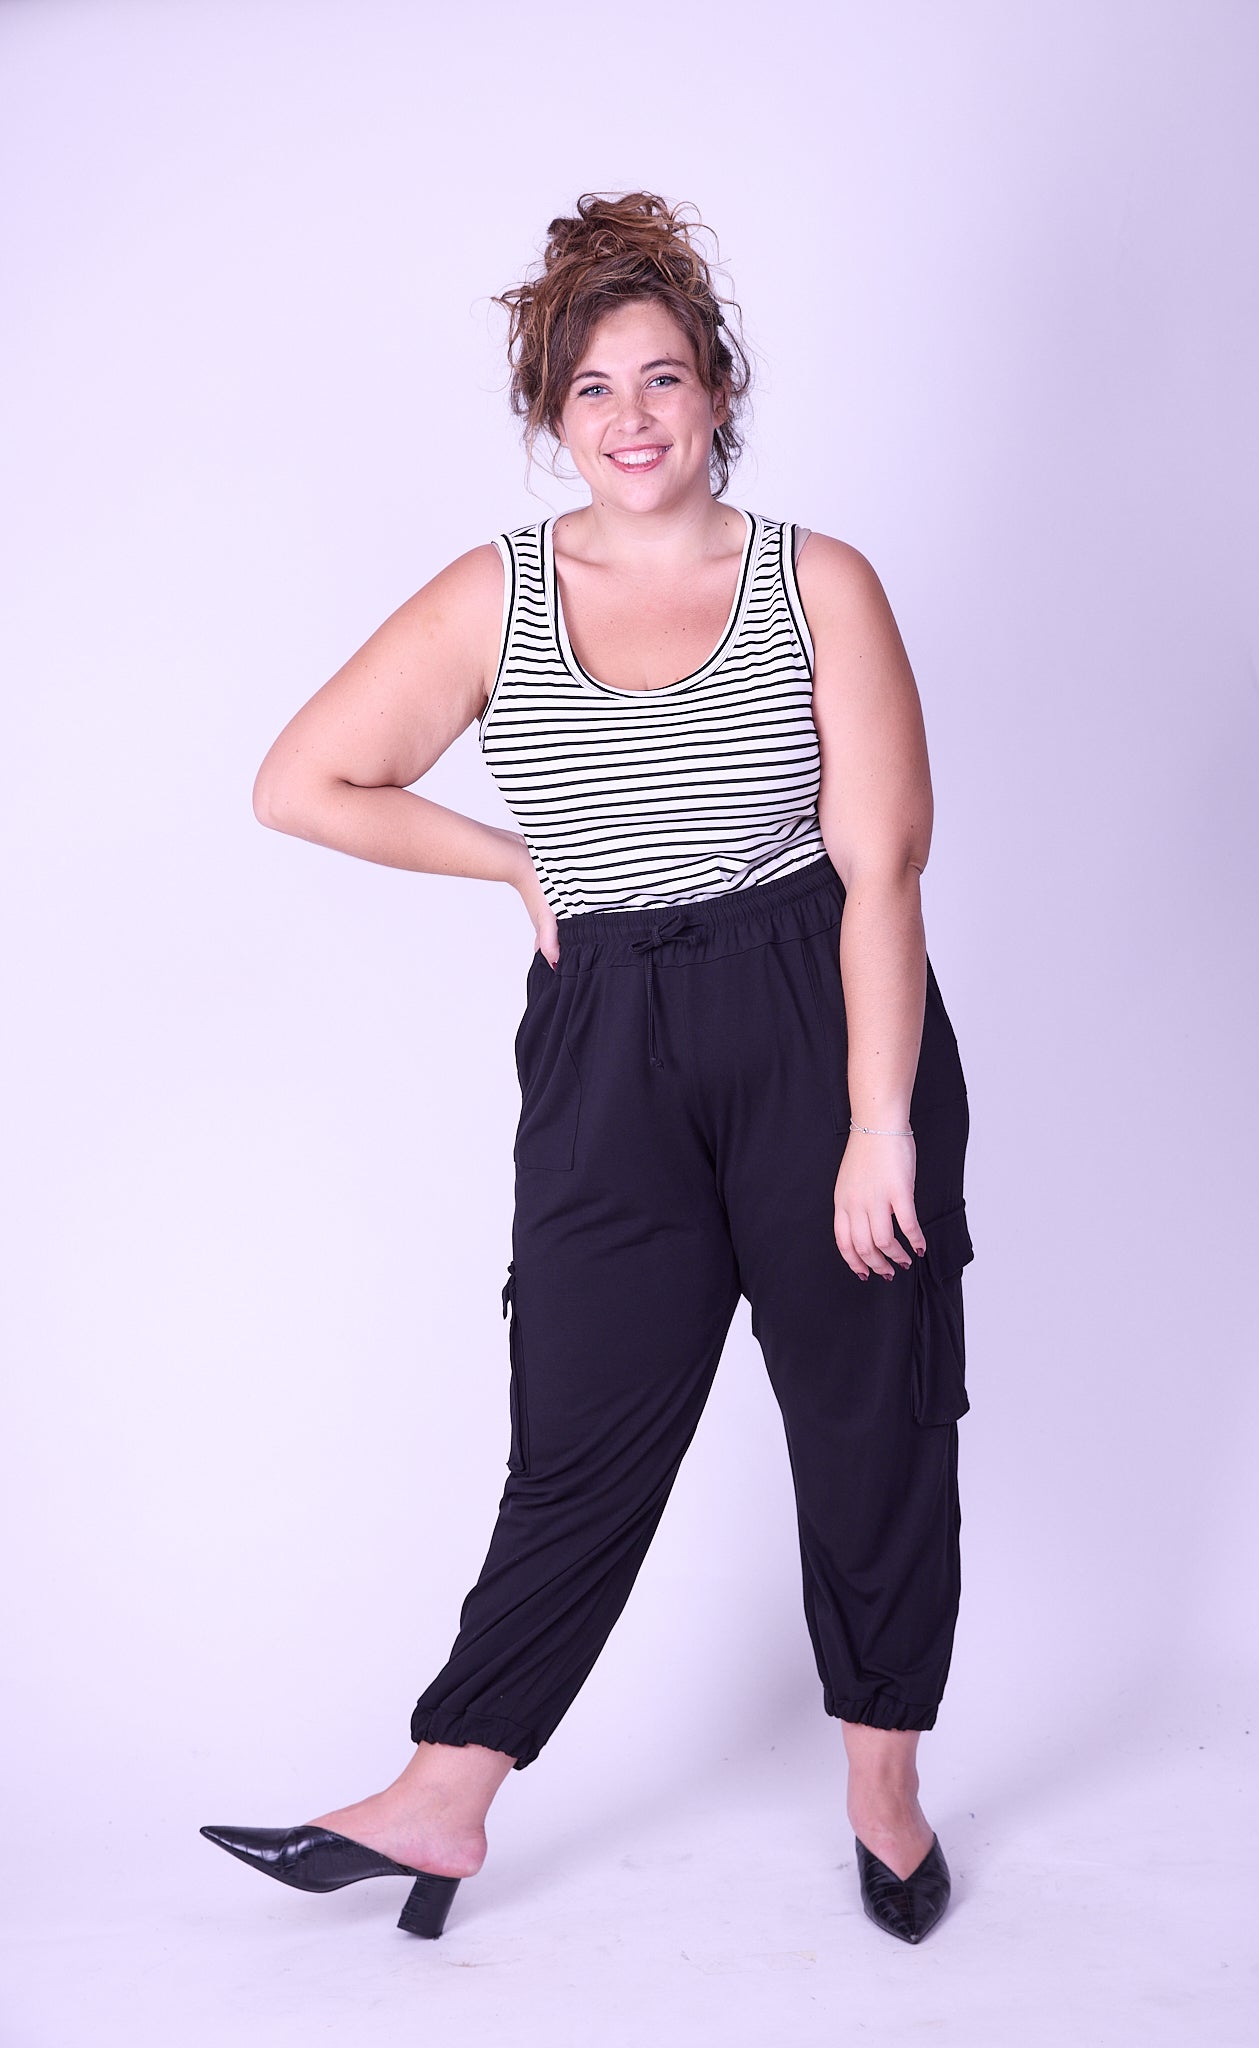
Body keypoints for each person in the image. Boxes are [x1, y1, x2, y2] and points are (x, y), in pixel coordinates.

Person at [201, 190, 975, 1949]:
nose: (631, 419)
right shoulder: (498, 595)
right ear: (550, 414)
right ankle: (444, 1794)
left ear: (718, 393)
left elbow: (882, 869)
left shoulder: (815, 581)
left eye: (662, 378)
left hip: (816, 1013)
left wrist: (876, 1122)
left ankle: (883, 1788)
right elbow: (300, 782)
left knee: (869, 1421)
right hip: (607, 1039)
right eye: (591, 389)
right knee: (577, 1431)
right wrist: (513, 863)